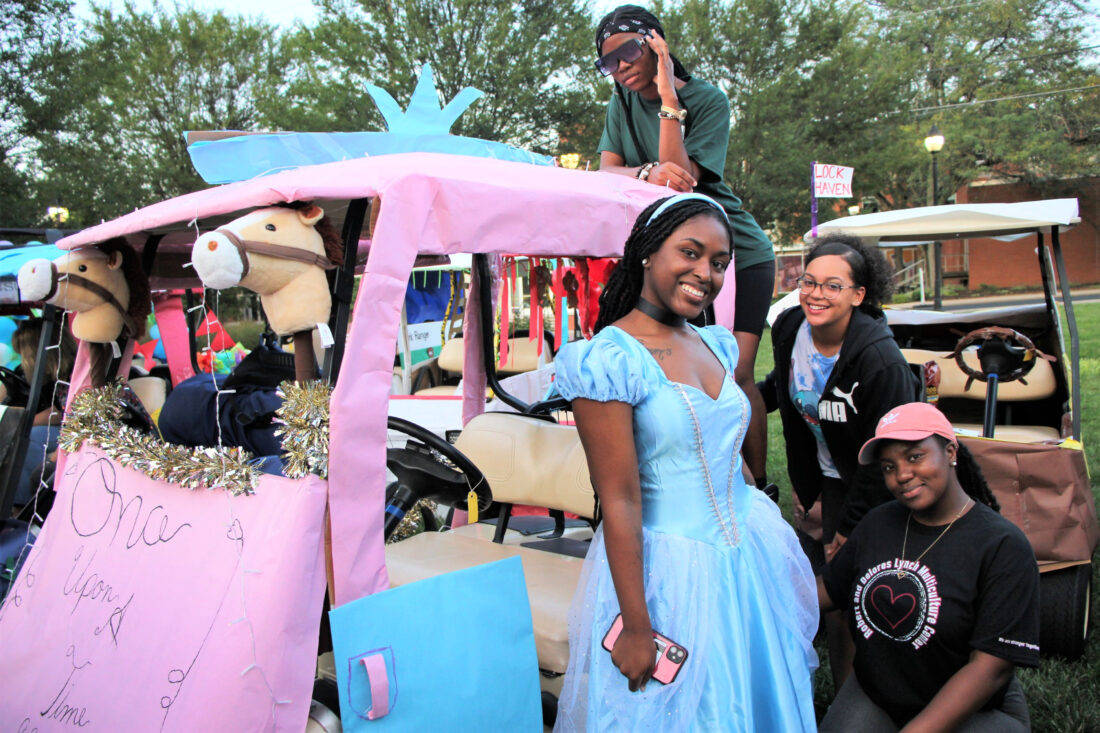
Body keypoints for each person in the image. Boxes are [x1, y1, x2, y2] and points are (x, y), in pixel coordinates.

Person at [552, 193, 817, 732]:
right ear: (648, 252)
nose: (706, 274)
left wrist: (754, 509)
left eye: (719, 263)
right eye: (690, 253)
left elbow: (723, 447)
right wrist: (635, 623)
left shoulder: (716, 344)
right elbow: (620, 499)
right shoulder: (608, 361)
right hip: (667, 572)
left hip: (745, 555)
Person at [592, 5, 776, 497]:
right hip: (676, 256)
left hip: (736, 252)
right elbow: (606, 174)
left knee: (734, 372)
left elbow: (683, 183)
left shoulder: (708, 100)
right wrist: (645, 173)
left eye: (628, 52)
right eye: (608, 63)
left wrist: (670, 94)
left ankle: (756, 488)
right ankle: (706, 481)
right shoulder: (621, 105)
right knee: (687, 371)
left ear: (656, 43)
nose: (621, 67)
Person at [818, 402, 1039, 731]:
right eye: (888, 467)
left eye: (914, 457)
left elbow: (991, 667)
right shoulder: (879, 522)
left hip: (971, 708)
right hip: (879, 694)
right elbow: (826, 592)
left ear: (950, 452)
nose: (902, 475)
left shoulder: (1002, 546)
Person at [9, 317, 76, 505]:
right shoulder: (54, 377)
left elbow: (60, 415)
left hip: (78, 433)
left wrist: (20, 423)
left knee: (25, 437)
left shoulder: (72, 376)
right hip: (68, 428)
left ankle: (24, 503)